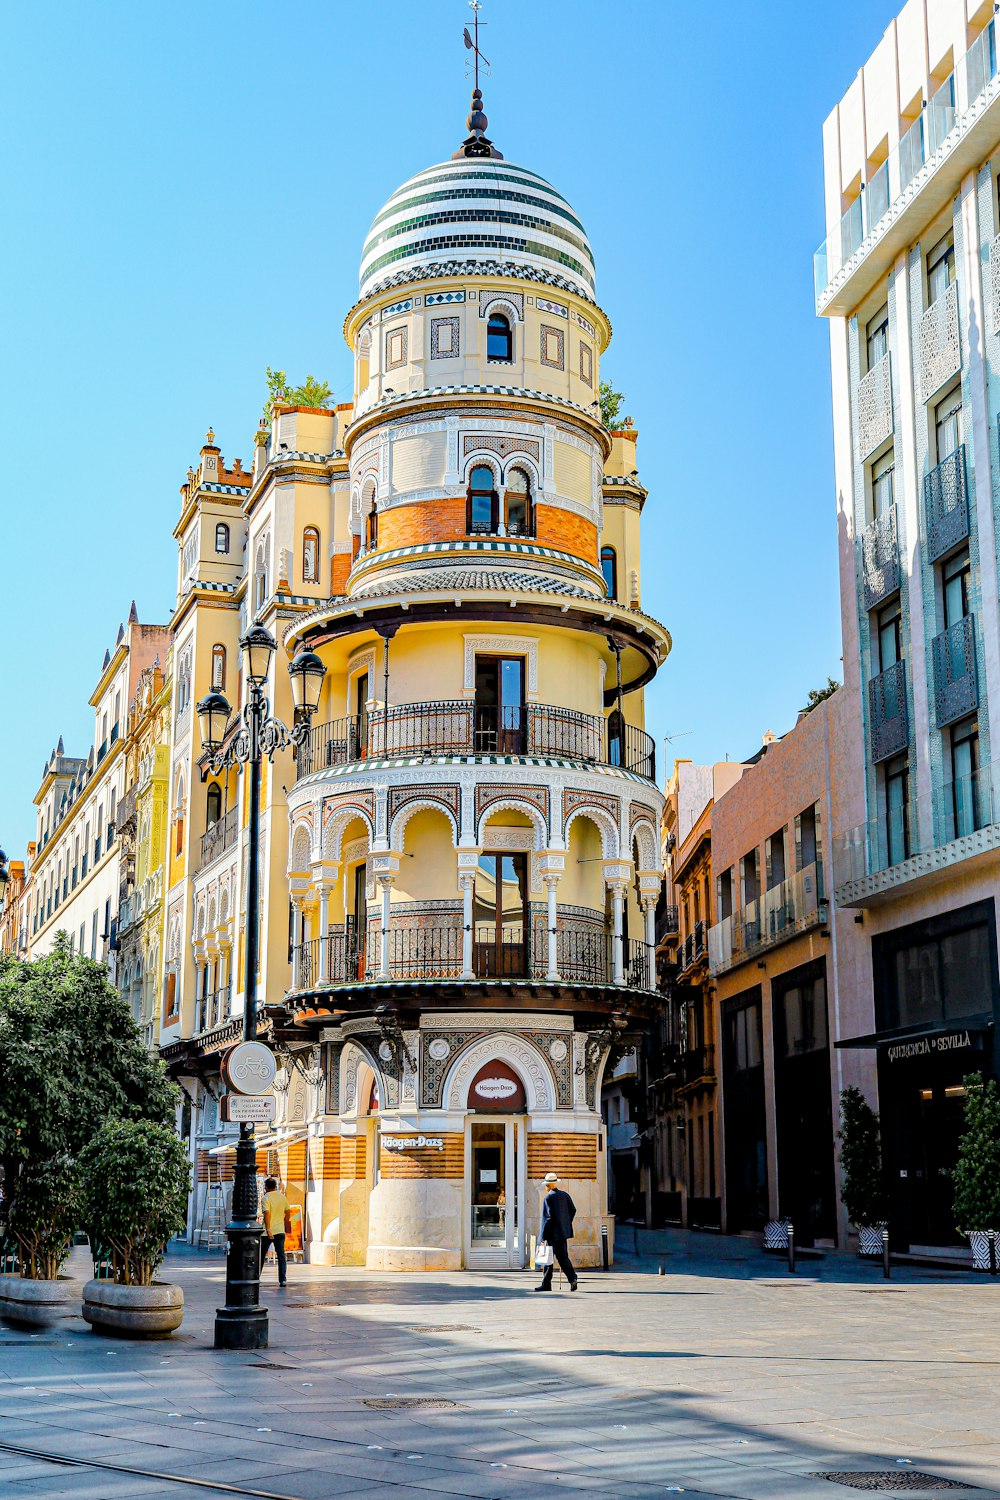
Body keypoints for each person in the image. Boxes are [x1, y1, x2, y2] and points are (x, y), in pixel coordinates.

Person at [534, 1171, 578, 1291]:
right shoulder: (565, 1195)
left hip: (551, 1235)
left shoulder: (548, 1197)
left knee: (548, 1260)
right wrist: (565, 1223)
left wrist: (542, 1236)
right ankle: (572, 1278)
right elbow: (573, 1210)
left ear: (548, 1185)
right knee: (563, 1258)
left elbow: (548, 1218)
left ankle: (546, 1284)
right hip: (562, 1233)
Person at [260, 1177, 291, 1288]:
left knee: (261, 1255)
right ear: (275, 1186)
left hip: (267, 1232)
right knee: (281, 1255)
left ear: (266, 1187)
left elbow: (267, 1213)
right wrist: (284, 1221)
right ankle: (283, 1280)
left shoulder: (265, 1198)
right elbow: (288, 1211)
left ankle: (256, 1277)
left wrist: (268, 1228)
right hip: (280, 1230)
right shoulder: (283, 1197)